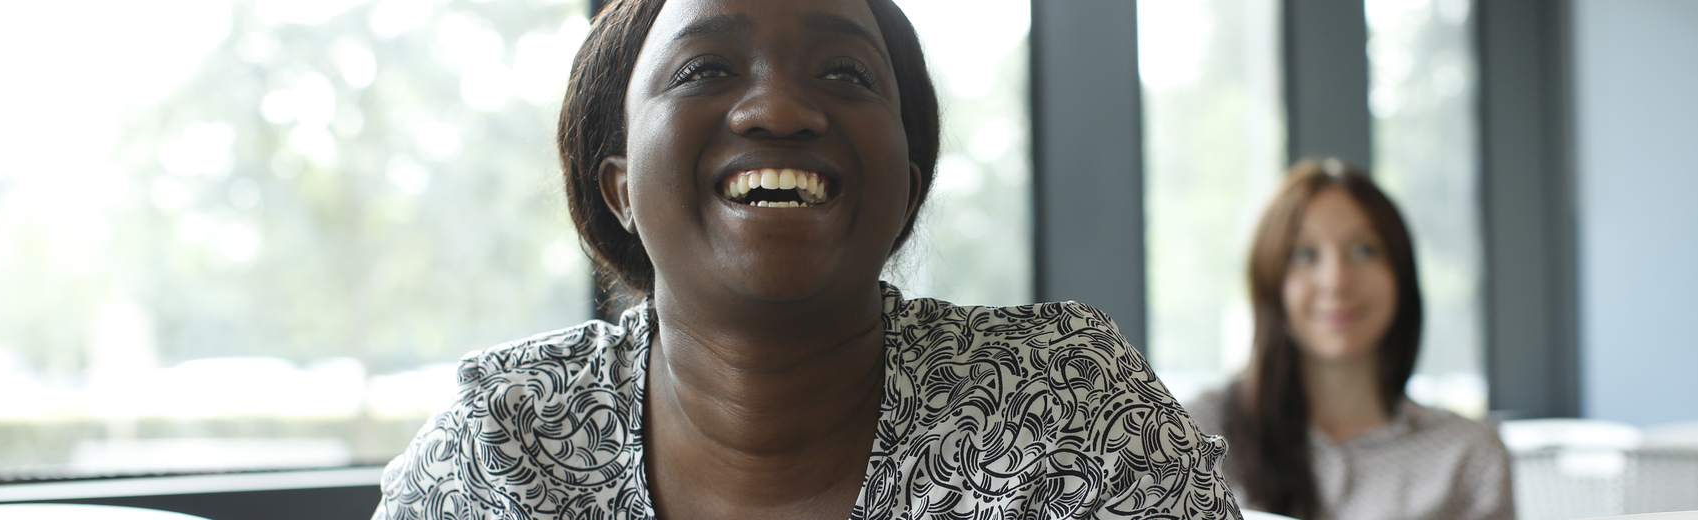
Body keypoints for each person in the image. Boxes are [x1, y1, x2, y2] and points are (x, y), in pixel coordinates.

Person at [371, 0, 1240, 518]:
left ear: (905, 187)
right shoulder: (504, 445)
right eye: (706, 65)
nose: (779, 108)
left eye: (847, 74)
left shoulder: (1065, 408)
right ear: (621, 187)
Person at [1183, 158, 1513, 520]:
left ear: (1399, 275)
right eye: (1304, 255)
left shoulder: (1469, 454)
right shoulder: (1198, 433)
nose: (1336, 280)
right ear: (1270, 284)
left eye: (1363, 250)